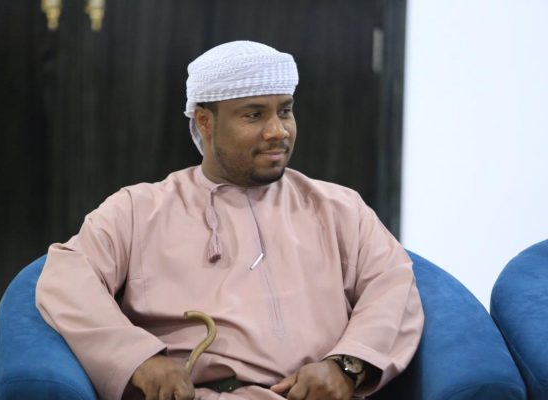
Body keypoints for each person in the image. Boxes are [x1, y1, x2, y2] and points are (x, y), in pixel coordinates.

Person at [36, 40, 424, 400]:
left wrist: (346, 366)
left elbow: (392, 285)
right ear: (205, 121)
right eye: (254, 115)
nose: (277, 131)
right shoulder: (138, 210)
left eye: (285, 111)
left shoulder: (338, 208)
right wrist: (139, 360)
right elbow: (67, 280)